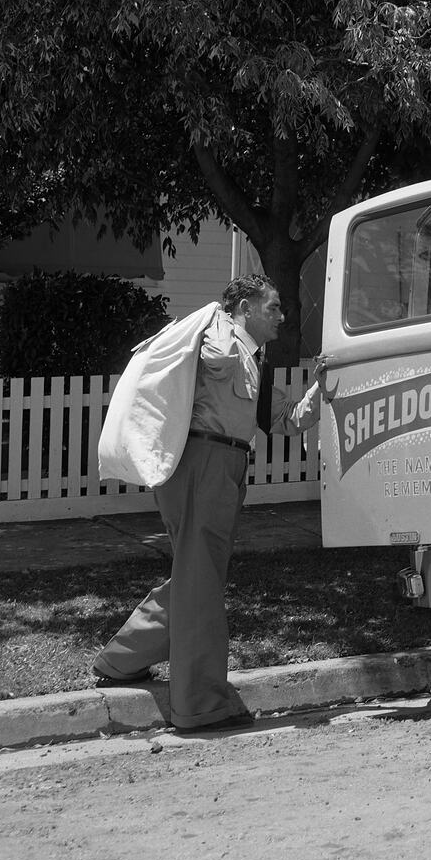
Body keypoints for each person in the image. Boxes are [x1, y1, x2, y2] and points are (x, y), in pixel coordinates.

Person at [92, 274, 332, 731]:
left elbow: (288, 419)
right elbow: (208, 362)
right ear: (244, 307)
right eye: (273, 307)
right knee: (200, 581)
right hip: (201, 462)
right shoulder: (215, 337)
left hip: (225, 468)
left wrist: (320, 386)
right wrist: (220, 320)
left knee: (195, 574)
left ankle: (120, 661)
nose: (282, 317)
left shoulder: (255, 360)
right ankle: (199, 706)